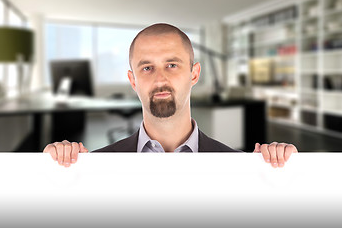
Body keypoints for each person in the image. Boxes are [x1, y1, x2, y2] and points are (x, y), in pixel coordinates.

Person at [44, 23, 297, 168]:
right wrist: (52, 171)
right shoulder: (94, 166)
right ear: (133, 80)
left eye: (172, 65)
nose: (160, 79)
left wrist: (286, 170)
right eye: (147, 68)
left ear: (194, 74)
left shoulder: (241, 166)